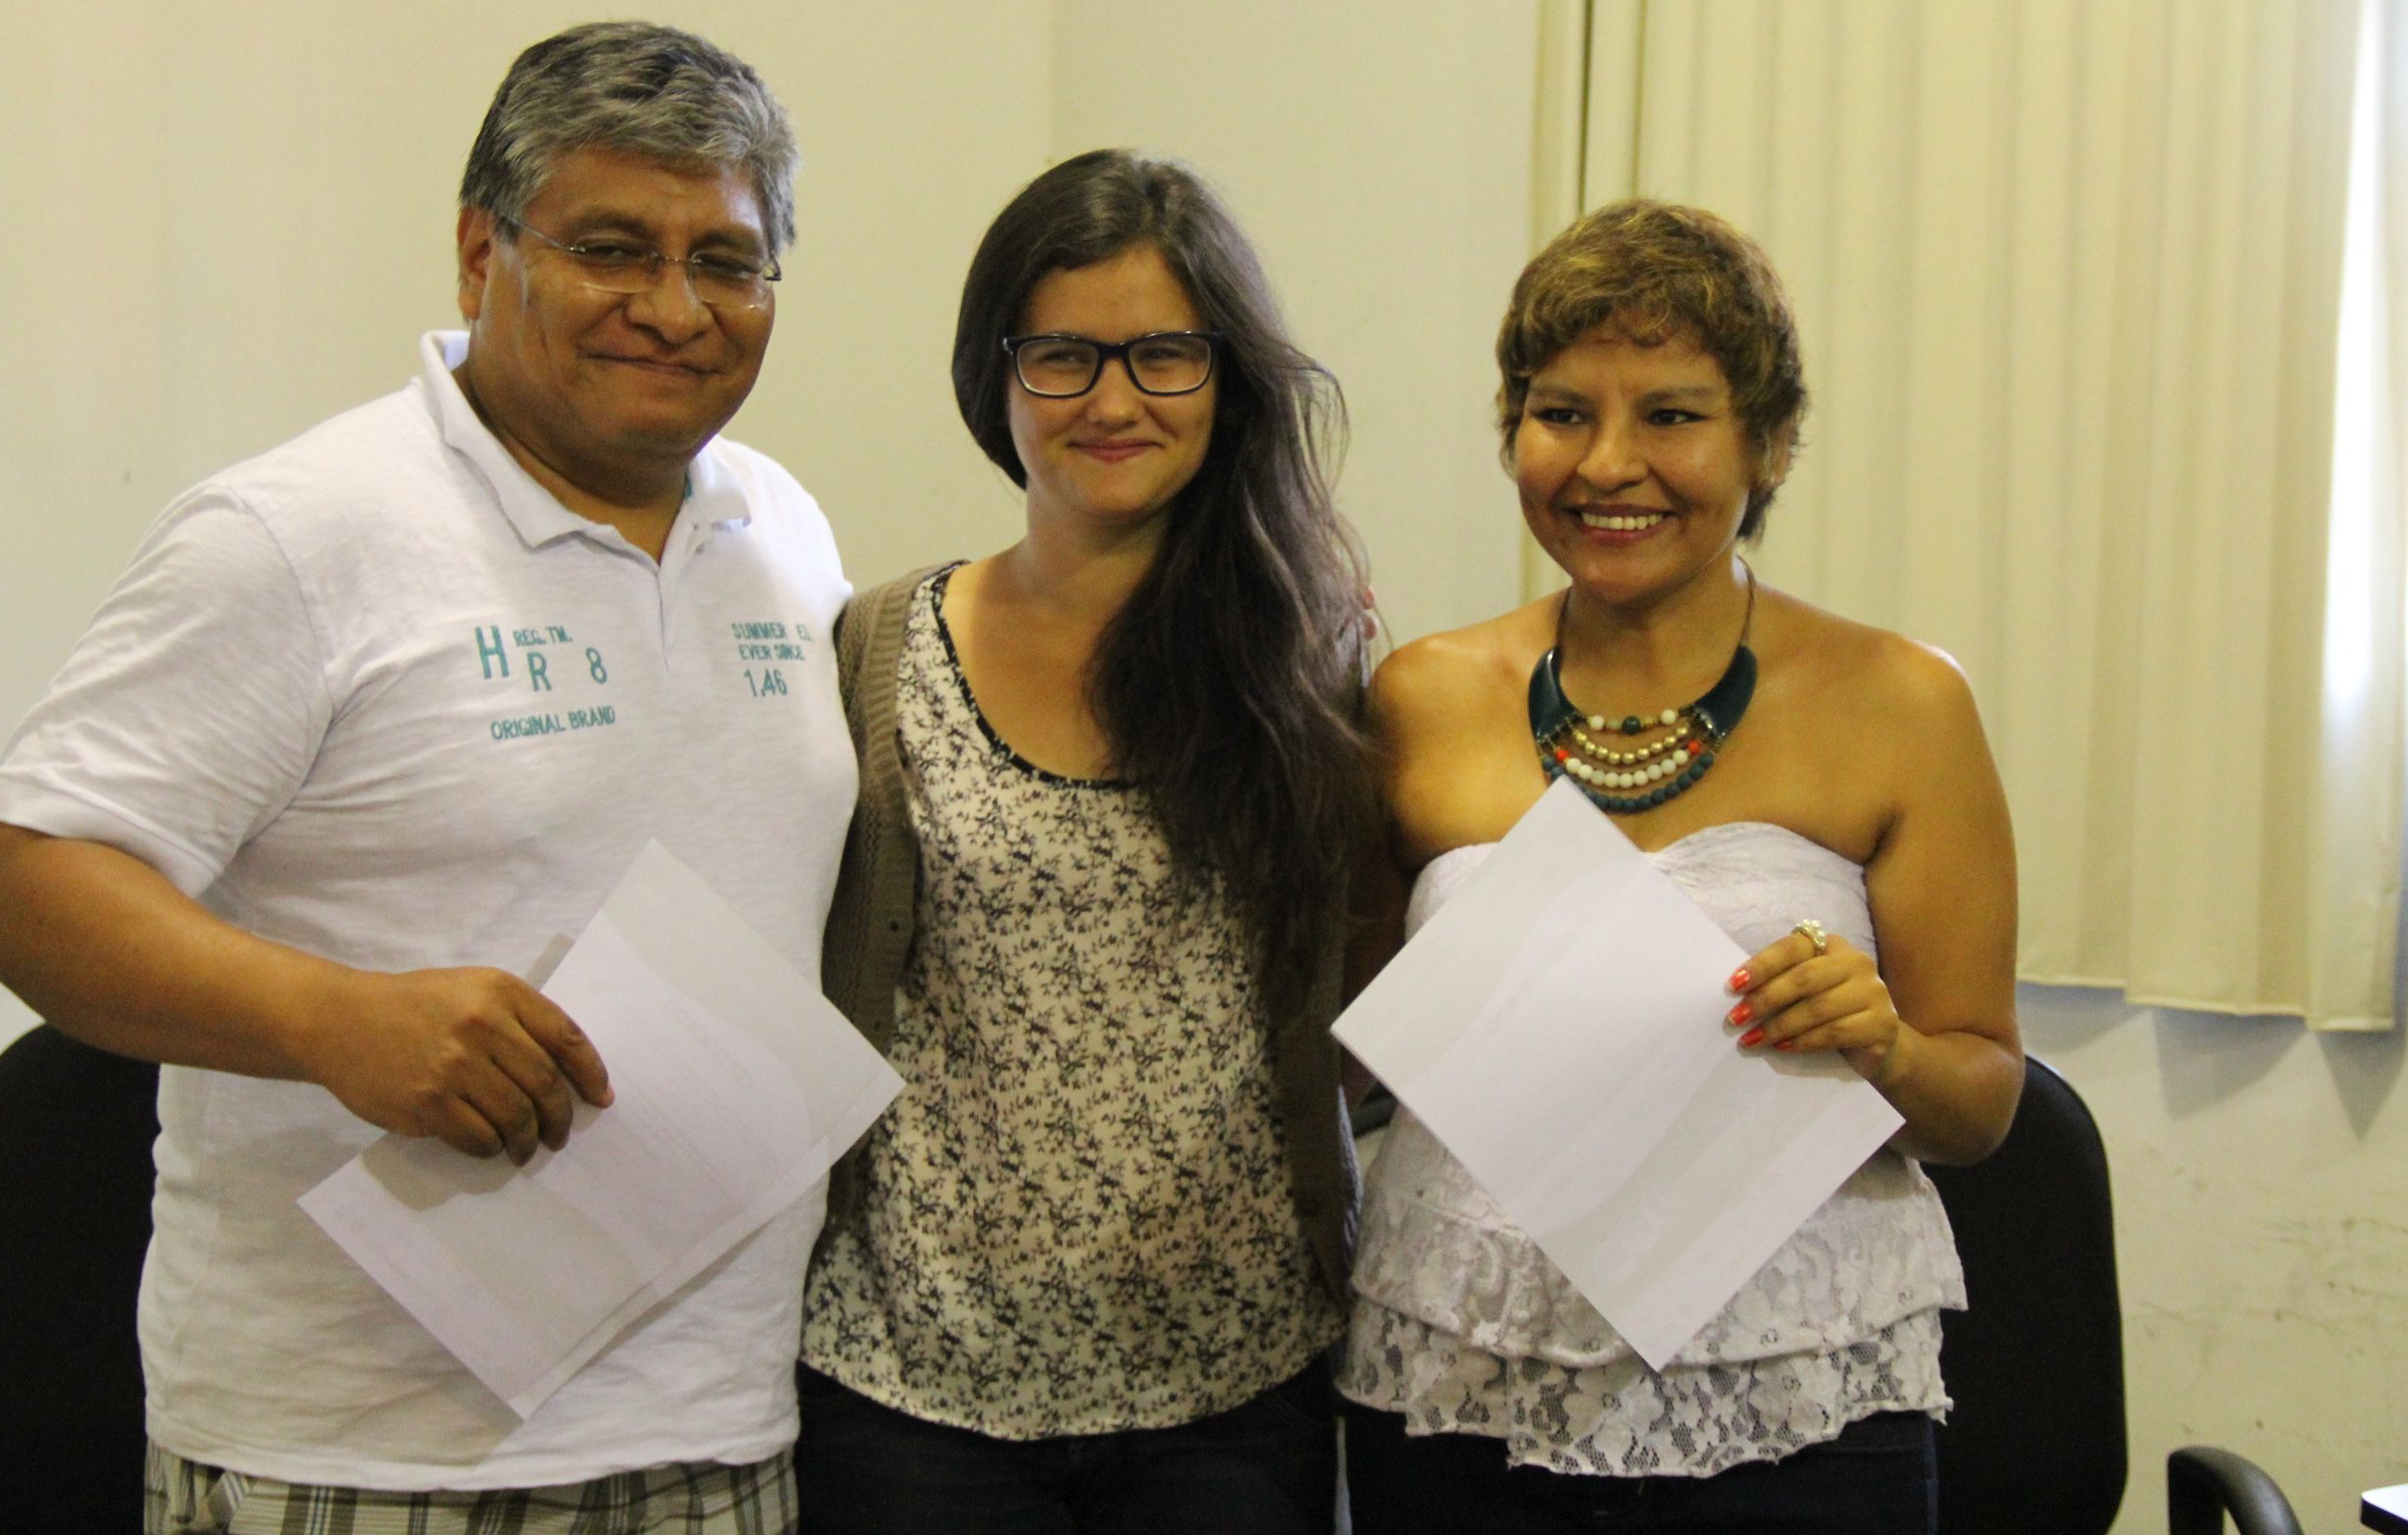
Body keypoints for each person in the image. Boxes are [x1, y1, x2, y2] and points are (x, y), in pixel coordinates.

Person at [0, 22, 848, 1534]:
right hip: (360, 1455)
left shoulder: (780, 528)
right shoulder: (296, 533)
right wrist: (329, 1017)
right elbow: (20, 888)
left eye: (727, 260)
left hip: (719, 1431)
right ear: (480, 252)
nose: (673, 307)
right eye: (611, 249)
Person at [1337, 199, 2022, 1532]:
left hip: (1793, 1398)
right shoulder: (1421, 696)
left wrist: (1883, 1045)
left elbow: (1982, 1102)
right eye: (1560, 413)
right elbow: (1343, 1050)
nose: (1608, 465)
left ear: (1768, 442)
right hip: (1462, 1378)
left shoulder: (1902, 703)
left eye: (1670, 415)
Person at [791, 149, 1374, 1535]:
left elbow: (1376, 972)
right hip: (912, 1384)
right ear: (994, 378)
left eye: (1165, 354)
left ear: (1227, 377)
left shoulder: (1315, 656)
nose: (1114, 402)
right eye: (1062, 356)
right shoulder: (878, 645)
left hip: (1233, 1385)